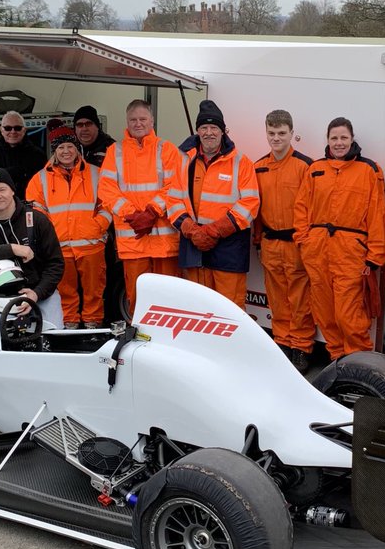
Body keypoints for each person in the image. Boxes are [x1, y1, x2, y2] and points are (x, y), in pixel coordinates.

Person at [293, 117, 385, 360]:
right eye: (334, 138)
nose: (339, 142)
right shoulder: (316, 169)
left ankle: (360, 363)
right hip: (317, 251)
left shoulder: (369, 169)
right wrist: (304, 241)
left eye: (344, 137)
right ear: (327, 140)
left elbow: (377, 214)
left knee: (349, 315)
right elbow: (301, 207)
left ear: (352, 139)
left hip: (351, 253)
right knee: (324, 311)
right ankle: (337, 359)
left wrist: (375, 254)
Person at [98, 100, 189, 312]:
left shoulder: (167, 150)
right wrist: (133, 215)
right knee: (138, 300)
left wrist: (151, 211)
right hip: (134, 242)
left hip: (164, 243)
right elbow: (106, 189)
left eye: (142, 119)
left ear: (152, 120)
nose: (138, 123)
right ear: (127, 121)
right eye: (133, 119)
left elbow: (176, 185)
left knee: (169, 300)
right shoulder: (115, 151)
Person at [174, 101, 260, 310]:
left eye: (214, 127)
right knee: (197, 307)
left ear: (223, 131)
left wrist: (214, 231)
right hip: (194, 247)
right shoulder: (183, 159)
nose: (209, 132)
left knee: (230, 310)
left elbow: (250, 203)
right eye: (204, 127)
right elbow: (173, 199)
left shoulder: (241, 162)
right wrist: (192, 230)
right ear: (198, 131)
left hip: (229, 249)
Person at [26, 126, 111, 327]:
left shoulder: (96, 173)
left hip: (91, 244)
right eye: (61, 147)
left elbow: (108, 204)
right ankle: (69, 324)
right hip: (59, 246)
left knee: (94, 290)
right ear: (54, 150)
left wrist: (98, 225)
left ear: (77, 148)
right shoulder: (40, 179)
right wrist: (49, 235)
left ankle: (93, 325)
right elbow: (36, 211)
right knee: (64, 291)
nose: (66, 151)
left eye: (70, 146)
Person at [0, 167, 65, 328]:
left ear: (12, 191)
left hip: (42, 292)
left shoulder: (37, 220)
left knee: (54, 335)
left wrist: (36, 294)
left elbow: (56, 264)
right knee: (9, 339)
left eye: (2, 189)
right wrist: (11, 249)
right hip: (3, 297)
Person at [253, 109, 315, 373]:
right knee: (277, 299)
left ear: (292, 134)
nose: (276, 138)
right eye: (272, 133)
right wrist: (258, 241)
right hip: (270, 243)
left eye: (281, 133)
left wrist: (308, 244)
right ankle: (282, 343)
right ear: (266, 133)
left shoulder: (305, 166)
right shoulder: (258, 167)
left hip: (296, 244)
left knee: (300, 299)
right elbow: (255, 210)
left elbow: (313, 208)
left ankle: (301, 347)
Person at [74, 104, 123, 322]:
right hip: (79, 227)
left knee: (106, 276)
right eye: (79, 125)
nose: (84, 129)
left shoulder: (111, 149)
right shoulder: (71, 150)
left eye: (88, 124)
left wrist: (103, 223)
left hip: (107, 224)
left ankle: (106, 320)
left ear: (98, 126)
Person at [0, 111, 46, 201]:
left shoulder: (37, 154)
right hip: (0, 203)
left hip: (29, 203)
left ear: (24, 130)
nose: (13, 131)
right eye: (8, 128)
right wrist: (20, 172)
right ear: (1, 130)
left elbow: (42, 182)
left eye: (17, 128)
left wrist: (1, 174)